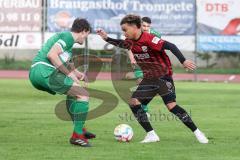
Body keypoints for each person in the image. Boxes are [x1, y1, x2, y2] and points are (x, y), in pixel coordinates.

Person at [97, 14, 209, 144]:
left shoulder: (150, 39)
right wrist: (106, 38)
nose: (124, 33)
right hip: (149, 78)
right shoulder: (131, 42)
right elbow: (120, 43)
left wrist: (183, 61)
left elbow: (171, 46)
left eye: (125, 29)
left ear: (134, 27)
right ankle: (151, 135)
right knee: (134, 102)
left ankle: (198, 132)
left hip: (163, 76)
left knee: (171, 106)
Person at [29, 18, 95, 147]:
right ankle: (77, 136)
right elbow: (52, 55)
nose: (86, 38)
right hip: (44, 70)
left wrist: (76, 73)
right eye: (87, 34)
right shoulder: (68, 36)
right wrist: (70, 74)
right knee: (83, 94)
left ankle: (79, 130)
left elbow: (64, 61)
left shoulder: (67, 44)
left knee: (73, 94)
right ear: (84, 31)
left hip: (38, 72)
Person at [128, 16, 162, 115]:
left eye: (148, 26)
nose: (146, 28)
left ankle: (142, 103)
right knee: (140, 82)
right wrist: (132, 59)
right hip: (138, 61)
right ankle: (144, 109)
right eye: (144, 25)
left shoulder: (156, 35)